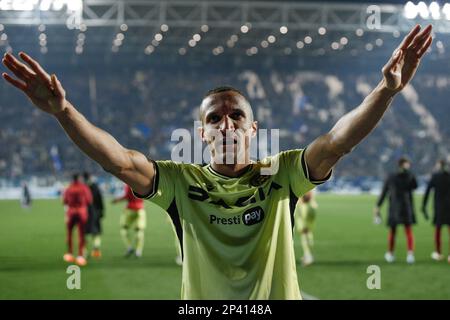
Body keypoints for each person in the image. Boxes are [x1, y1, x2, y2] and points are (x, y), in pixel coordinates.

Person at [2, 24, 433, 299]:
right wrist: (64, 112)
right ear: (201, 132)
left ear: (252, 128)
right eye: (214, 118)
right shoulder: (177, 180)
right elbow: (118, 160)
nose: (226, 123)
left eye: (236, 116)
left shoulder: (279, 172)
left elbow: (337, 141)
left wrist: (386, 91)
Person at [374, 157, 418, 264]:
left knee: (393, 232)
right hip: (406, 207)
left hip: (394, 207)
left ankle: (390, 254)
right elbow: (415, 186)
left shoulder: (391, 176)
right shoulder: (410, 175)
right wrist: (410, 174)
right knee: (408, 232)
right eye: (408, 164)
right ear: (403, 164)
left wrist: (377, 206)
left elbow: (384, 192)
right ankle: (410, 255)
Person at [422, 159, 450, 263]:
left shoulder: (435, 176)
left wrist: (423, 206)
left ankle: (438, 253)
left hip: (438, 207)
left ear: (438, 166)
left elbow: (427, 192)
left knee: (438, 231)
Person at [62, 173, 93, 266]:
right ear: (79, 179)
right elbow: (89, 200)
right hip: (81, 212)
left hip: (71, 212)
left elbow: (64, 201)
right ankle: (80, 256)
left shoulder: (68, 188)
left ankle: (70, 254)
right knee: (81, 234)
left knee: (69, 233)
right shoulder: (84, 188)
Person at [112, 184, 146, 258]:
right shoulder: (141, 183)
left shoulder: (128, 184)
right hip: (140, 210)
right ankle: (138, 251)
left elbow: (126, 196)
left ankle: (129, 247)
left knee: (124, 229)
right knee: (139, 230)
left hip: (130, 209)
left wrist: (117, 200)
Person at [83, 171, 105, 259]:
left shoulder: (83, 187)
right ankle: (96, 249)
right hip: (95, 211)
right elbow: (100, 199)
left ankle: (84, 252)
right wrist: (102, 211)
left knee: (84, 233)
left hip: (84, 212)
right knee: (96, 232)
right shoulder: (95, 186)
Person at [294, 191, 318, 266]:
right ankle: (307, 254)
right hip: (308, 207)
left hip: (306, 208)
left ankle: (308, 256)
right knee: (306, 233)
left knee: (305, 233)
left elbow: (307, 196)